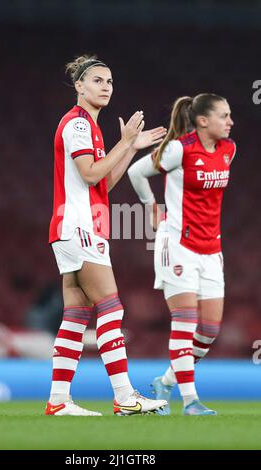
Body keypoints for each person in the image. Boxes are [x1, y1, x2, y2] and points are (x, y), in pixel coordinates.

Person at [45, 54, 168, 416]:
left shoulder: (91, 129)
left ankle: (58, 401)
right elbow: (87, 174)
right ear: (79, 86)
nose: (106, 87)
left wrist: (129, 147)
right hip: (79, 227)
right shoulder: (78, 125)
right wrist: (125, 140)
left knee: (76, 315)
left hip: (75, 227)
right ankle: (125, 396)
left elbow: (103, 183)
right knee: (111, 308)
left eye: (110, 81)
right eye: (97, 80)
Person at [128, 94, 236, 415]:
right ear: (203, 121)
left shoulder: (229, 150)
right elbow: (136, 172)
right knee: (185, 322)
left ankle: (166, 382)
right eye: (224, 115)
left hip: (211, 248)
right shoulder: (180, 149)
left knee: (209, 330)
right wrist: (152, 207)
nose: (230, 122)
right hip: (177, 244)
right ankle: (191, 401)